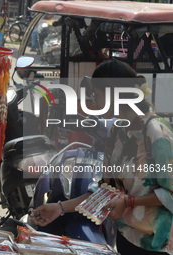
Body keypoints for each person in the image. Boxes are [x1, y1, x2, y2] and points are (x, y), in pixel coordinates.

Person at [30, 59, 173, 255]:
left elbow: (170, 193)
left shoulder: (157, 132)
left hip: (157, 244)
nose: (94, 101)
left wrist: (129, 202)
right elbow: (106, 189)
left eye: (96, 95)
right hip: (126, 237)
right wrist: (60, 208)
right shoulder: (116, 131)